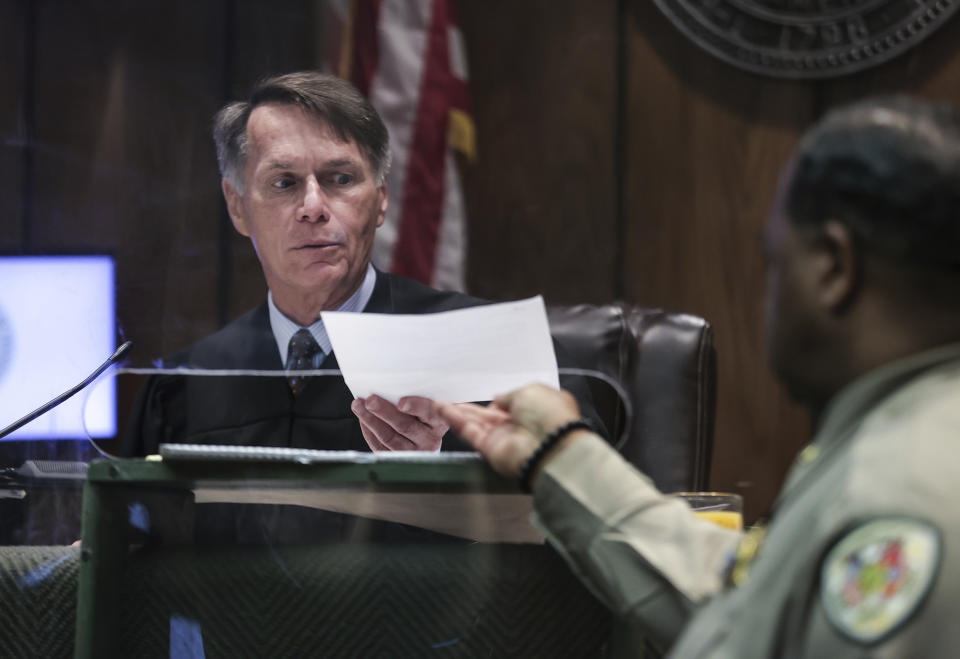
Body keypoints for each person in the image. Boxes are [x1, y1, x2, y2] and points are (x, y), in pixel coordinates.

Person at [436, 96, 960, 657]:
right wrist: (559, 456)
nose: (768, 302)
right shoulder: (908, 433)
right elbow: (745, 606)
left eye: (775, 264)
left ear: (833, 267)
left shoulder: (896, 498)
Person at [122, 71, 599, 459]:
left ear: (381, 199)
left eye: (340, 178)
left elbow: (584, 517)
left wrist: (440, 472)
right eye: (284, 183)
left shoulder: (490, 354)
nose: (313, 206)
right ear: (238, 206)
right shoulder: (185, 385)